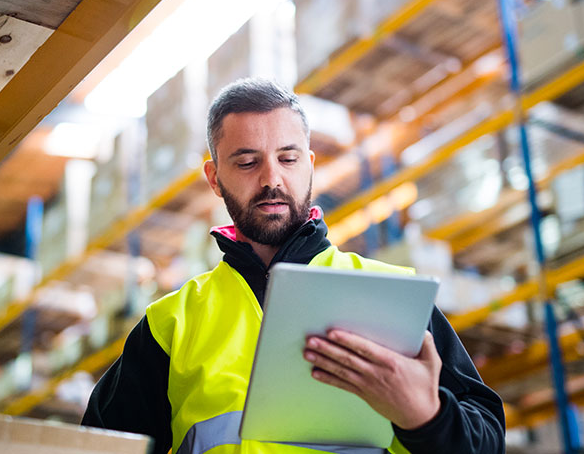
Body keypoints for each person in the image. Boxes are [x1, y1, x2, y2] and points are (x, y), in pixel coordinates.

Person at [82, 78, 506, 454]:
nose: (272, 179)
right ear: (214, 178)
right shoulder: (171, 326)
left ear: (310, 164)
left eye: (288, 158)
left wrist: (427, 416)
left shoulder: (392, 294)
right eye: (247, 162)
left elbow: (487, 439)